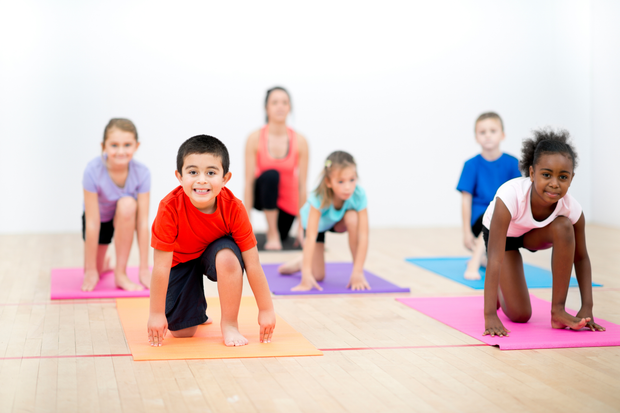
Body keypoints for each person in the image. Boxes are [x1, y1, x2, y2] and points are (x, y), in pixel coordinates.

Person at [147, 135, 276, 347]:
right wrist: (155, 314)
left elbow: (252, 263)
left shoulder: (234, 207)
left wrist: (266, 309)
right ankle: (197, 311)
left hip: (214, 253)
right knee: (182, 333)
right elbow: (161, 267)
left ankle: (229, 325)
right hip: (181, 261)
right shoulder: (169, 208)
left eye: (211, 173)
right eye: (193, 172)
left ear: (225, 178)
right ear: (179, 176)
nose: (201, 180)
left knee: (227, 257)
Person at [482, 128, 605, 337]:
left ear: (571, 178)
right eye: (546, 175)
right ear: (531, 173)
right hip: (505, 240)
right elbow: (494, 259)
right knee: (520, 315)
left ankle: (558, 311)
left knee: (564, 226)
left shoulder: (572, 208)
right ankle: (500, 292)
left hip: (532, 234)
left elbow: (582, 258)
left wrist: (587, 307)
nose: (554, 183)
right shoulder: (509, 195)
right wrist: (489, 315)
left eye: (563, 177)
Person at [278, 151, 369, 291]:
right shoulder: (318, 197)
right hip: (316, 228)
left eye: (352, 179)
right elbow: (311, 236)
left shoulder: (358, 194)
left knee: (352, 217)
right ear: (328, 182)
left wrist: (358, 272)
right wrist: (306, 275)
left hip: (337, 222)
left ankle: (356, 269)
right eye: (340, 181)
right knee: (318, 275)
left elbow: (363, 235)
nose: (348, 187)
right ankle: (300, 263)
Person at [82, 118, 151, 292]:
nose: (121, 151)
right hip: (100, 220)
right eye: (114, 145)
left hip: (124, 219)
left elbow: (143, 223)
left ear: (137, 145)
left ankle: (120, 274)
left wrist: (144, 269)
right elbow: (92, 222)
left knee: (128, 204)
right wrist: (90, 270)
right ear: (103, 146)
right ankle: (102, 265)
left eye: (127, 145)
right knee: (93, 272)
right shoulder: (93, 170)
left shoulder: (142, 173)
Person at [457, 112, 521, 280]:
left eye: (493, 131)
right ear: (476, 137)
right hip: (480, 219)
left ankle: (484, 257)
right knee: (492, 219)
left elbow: (518, 196)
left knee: (498, 218)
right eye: (482, 132)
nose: (488, 136)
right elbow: (466, 199)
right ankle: (474, 263)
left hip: (506, 217)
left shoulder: (513, 163)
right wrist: (466, 233)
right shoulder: (471, 165)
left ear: (502, 135)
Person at [244, 86, 309, 250]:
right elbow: (248, 182)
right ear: (266, 108)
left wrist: (302, 228)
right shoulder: (254, 138)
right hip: (262, 196)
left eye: (284, 102)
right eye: (274, 102)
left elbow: (303, 186)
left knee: (284, 235)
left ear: (290, 107)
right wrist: (246, 225)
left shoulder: (301, 141)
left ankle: (277, 232)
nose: (280, 106)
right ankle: (272, 234)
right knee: (271, 175)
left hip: (287, 204)